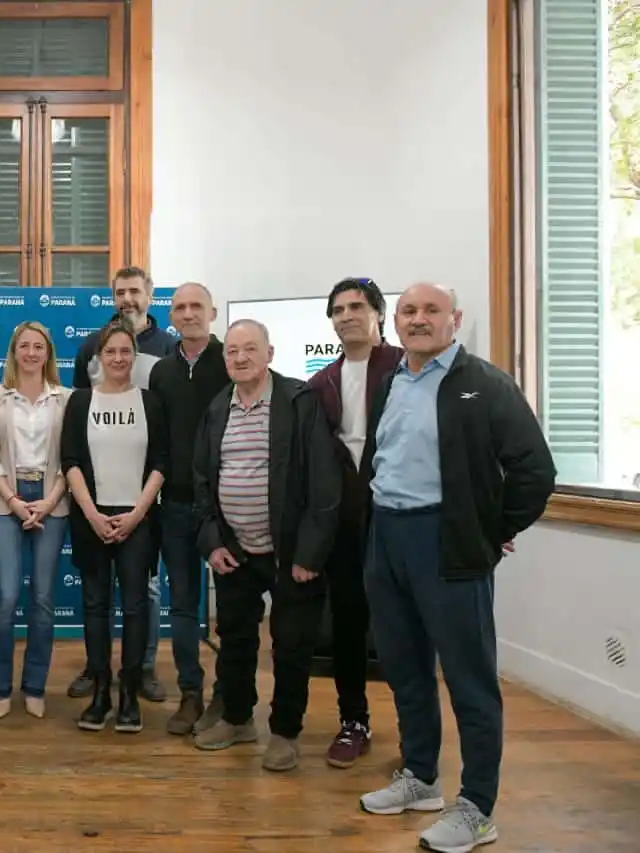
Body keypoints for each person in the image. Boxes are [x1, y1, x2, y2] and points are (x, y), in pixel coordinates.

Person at [358, 283, 555, 853]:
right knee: (405, 667)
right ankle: (420, 778)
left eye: (430, 311)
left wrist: (491, 530)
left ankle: (478, 809)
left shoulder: (484, 384)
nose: (418, 320)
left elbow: (534, 471)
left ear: (455, 319)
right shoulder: (394, 379)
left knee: (469, 680)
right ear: (395, 322)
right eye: (408, 312)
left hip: (446, 542)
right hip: (387, 536)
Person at [191, 319, 340, 771]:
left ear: (269, 354)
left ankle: (285, 733)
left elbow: (324, 482)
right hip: (236, 550)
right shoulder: (218, 408)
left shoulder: (299, 402)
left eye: (249, 349)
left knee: (291, 645)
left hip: (291, 553)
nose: (239, 357)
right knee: (235, 641)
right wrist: (212, 541)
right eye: (232, 351)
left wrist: (310, 554)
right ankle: (237, 719)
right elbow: (201, 481)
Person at [305, 277, 403, 768]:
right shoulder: (321, 382)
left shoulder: (409, 368)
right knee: (347, 622)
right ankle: (353, 720)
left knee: (405, 623)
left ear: (378, 314)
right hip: (345, 522)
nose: (346, 315)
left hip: (400, 519)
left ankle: (415, 731)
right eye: (338, 309)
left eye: (357, 306)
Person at [68, 266, 174, 704]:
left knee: (142, 595)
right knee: (95, 602)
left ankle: (140, 673)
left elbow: (162, 451)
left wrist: (140, 510)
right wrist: (92, 512)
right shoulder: (87, 360)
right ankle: (98, 676)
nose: (116, 358)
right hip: (94, 508)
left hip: (143, 505)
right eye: (120, 292)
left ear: (149, 294)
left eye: (135, 290)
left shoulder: (168, 350)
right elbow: (73, 449)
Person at [147, 282, 231, 736]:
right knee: (182, 606)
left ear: (212, 312)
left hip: (230, 509)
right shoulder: (161, 372)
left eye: (196, 305)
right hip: (176, 505)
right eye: (179, 307)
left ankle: (227, 698)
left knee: (235, 611)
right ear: (172, 316)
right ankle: (190, 694)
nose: (188, 313)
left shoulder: (232, 362)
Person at [0, 321, 72, 720]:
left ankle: (35, 685)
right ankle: (0, 686)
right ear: (14, 352)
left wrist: (49, 502)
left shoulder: (66, 398)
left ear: (48, 353)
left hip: (52, 501)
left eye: (39, 347)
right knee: (7, 598)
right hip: (6, 501)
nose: (32, 353)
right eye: (24, 346)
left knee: (44, 600)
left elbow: (72, 456)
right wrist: (15, 501)